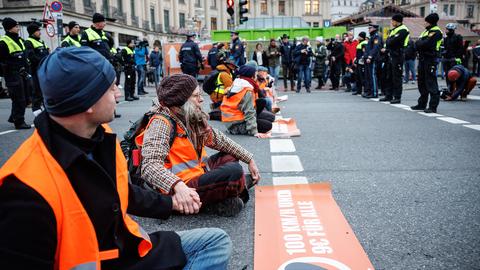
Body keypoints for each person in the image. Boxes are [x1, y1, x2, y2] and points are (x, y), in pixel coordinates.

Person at [0, 47, 232, 270]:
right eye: (112, 88)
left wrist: (171, 203)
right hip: (105, 261)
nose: (119, 93)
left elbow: (121, 192)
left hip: (126, 251)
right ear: (88, 101)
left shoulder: (101, 135)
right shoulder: (24, 190)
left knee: (215, 242)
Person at [140, 73, 260, 217]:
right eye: (196, 96)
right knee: (234, 172)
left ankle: (226, 193)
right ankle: (231, 191)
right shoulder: (161, 123)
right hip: (179, 187)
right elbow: (149, 166)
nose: (201, 99)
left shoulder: (188, 116)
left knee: (230, 156)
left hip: (197, 174)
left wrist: (249, 159)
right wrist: (177, 185)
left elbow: (219, 140)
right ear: (182, 100)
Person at [221, 64, 274, 137]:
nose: (256, 76)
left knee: (270, 116)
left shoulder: (238, 82)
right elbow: (249, 111)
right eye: (255, 74)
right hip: (236, 124)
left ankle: (253, 121)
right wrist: (254, 131)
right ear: (251, 76)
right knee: (268, 125)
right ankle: (248, 126)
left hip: (232, 119)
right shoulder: (247, 89)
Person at [0, 17, 31, 129]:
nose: (18, 28)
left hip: (22, 73)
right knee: (19, 98)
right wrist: (8, 69)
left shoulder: (19, 40)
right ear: (9, 28)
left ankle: (14, 116)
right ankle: (19, 122)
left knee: (26, 98)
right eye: (15, 26)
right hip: (12, 74)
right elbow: (2, 61)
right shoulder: (3, 42)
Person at [411, 13, 443, 113]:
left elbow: (425, 44)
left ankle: (433, 107)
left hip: (431, 60)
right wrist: (420, 43)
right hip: (423, 59)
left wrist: (420, 43)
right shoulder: (426, 31)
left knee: (431, 83)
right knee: (422, 83)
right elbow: (418, 44)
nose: (424, 23)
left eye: (425, 21)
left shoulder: (436, 32)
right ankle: (422, 104)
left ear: (430, 22)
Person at [380, 14, 410, 104]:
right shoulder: (394, 30)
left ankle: (397, 97)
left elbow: (391, 41)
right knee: (389, 76)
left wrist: (389, 42)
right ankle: (388, 95)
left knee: (396, 77)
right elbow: (389, 42)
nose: (392, 22)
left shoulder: (403, 30)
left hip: (398, 55)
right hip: (391, 55)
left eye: (393, 21)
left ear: (397, 21)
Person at [25, 22, 50, 114]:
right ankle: (37, 112)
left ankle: (45, 111)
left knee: (44, 92)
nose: (40, 32)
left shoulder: (40, 41)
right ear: (32, 32)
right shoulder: (28, 42)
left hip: (43, 70)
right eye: (38, 30)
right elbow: (32, 57)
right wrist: (44, 60)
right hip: (36, 71)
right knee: (37, 93)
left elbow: (47, 54)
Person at [363, 24, 383, 98]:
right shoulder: (372, 36)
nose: (368, 29)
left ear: (374, 28)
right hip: (369, 58)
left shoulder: (376, 36)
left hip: (373, 59)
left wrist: (370, 56)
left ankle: (374, 93)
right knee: (369, 76)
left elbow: (375, 48)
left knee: (372, 76)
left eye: (370, 28)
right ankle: (370, 92)